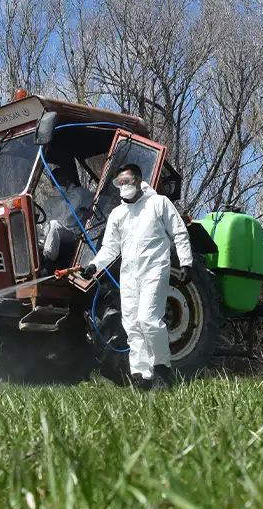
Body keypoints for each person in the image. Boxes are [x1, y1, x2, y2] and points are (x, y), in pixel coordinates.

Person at [82, 163, 192, 391]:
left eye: (127, 180)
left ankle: (162, 369)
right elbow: (110, 248)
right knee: (132, 325)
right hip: (129, 274)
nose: (123, 185)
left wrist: (186, 262)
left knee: (148, 320)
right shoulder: (118, 214)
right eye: (119, 182)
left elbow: (179, 232)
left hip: (155, 269)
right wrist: (93, 265)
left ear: (139, 180)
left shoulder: (158, 203)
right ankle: (142, 376)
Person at [40, 161, 91, 267]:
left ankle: (48, 262)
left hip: (74, 234)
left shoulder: (78, 193)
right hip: (52, 235)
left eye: (59, 180)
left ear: (66, 179)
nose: (57, 184)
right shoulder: (49, 201)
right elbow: (43, 222)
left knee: (54, 225)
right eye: (54, 181)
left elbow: (100, 201)